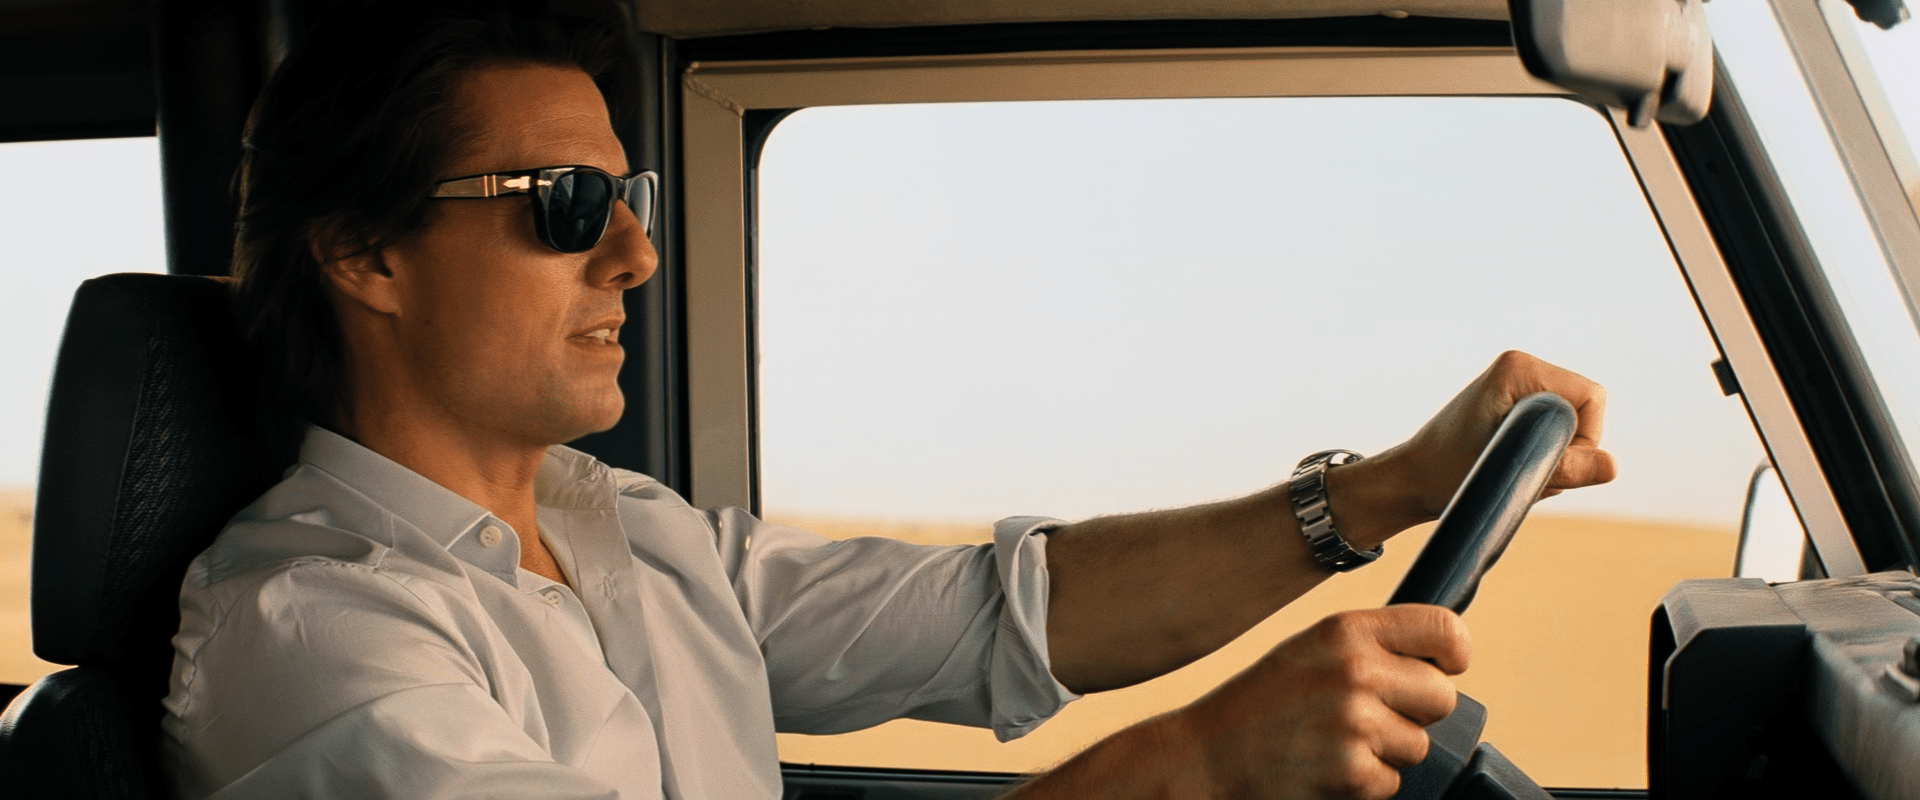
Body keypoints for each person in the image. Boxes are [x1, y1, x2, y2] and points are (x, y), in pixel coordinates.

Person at [160, 2, 1618, 798]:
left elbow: (1009, 615)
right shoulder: (315, 638)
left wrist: (1382, 489)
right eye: (568, 204)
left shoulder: (633, 535)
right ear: (364, 252)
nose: (638, 253)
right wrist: (1196, 765)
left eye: (632, 195)